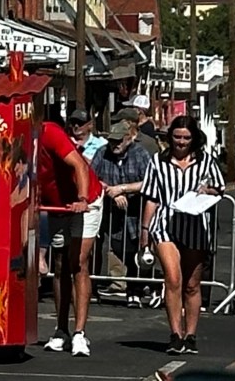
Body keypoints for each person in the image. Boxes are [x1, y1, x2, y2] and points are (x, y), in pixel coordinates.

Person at [139, 115, 223, 356]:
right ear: (170, 137)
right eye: (177, 137)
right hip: (165, 224)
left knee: (192, 284)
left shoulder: (205, 161)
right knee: (173, 279)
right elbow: (151, 198)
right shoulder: (158, 162)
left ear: (194, 138)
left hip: (196, 224)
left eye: (186, 138)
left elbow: (218, 188)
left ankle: (191, 334)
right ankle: (175, 333)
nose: (181, 142)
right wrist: (145, 231)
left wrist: (207, 190)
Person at [39, 116, 103, 357]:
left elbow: (78, 164)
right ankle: (61, 329)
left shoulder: (50, 132)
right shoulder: (18, 141)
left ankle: (79, 332)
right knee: (59, 263)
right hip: (56, 204)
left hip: (85, 198)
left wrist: (83, 200)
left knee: (78, 262)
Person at [90, 119, 152, 308]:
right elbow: (91, 177)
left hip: (135, 211)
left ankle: (135, 291)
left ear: (128, 139)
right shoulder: (102, 153)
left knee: (135, 250)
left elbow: (149, 181)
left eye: (119, 141)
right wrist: (111, 191)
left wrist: (123, 189)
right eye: (112, 141)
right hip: (110, 211)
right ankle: (94, 288)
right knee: (115, 248)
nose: (114, 145)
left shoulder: (140, 154)